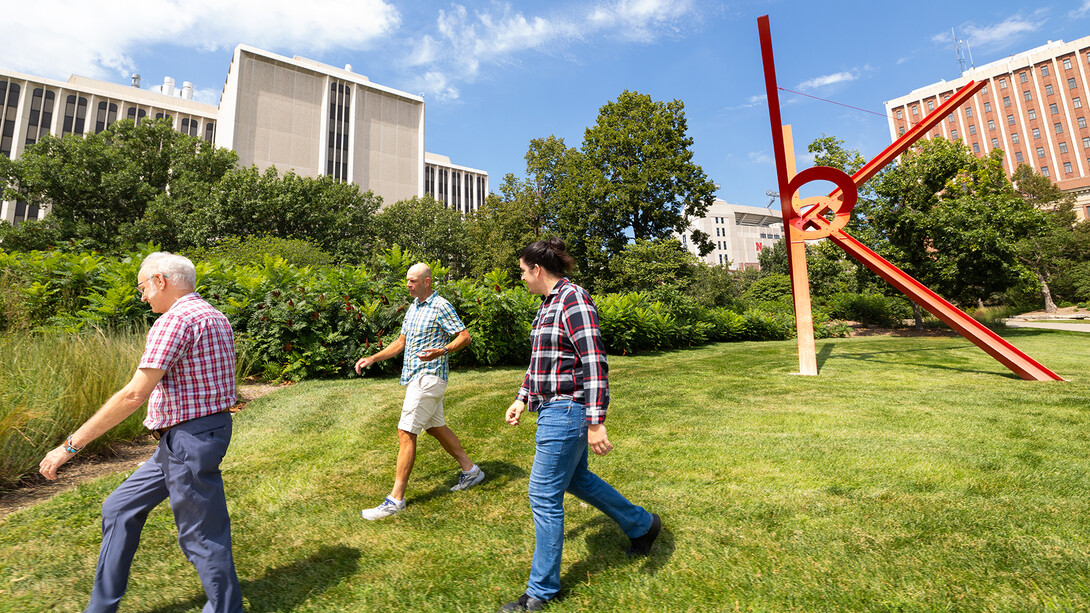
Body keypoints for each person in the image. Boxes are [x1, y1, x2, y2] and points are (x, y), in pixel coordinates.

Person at [38, 252, 243, 613]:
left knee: (201, 535)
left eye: (143, 287)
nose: (143, 296)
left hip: (189, 441)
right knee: (119, 508)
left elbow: (133, 394)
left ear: (161, 280)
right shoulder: (213, 314)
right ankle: (101, 607)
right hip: (196, 435)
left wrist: (68, 447)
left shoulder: (174, 321)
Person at [501, 238, 662, 613]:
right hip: (551, 406)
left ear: (537, 269)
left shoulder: (573, 299)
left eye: (523, 271)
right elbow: (541, 361)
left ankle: (541, 591)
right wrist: (522, 397)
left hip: (567, 410)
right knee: (577, 480)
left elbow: (594, 362)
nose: (522, 278)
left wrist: (595, 421)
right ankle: (642, 525)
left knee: (543, 496)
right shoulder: (547, 306)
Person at [355, 262, 483, 520]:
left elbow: (464, 336)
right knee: (435, 428)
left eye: (413, 280)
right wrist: (373, 358)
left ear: (427, 281)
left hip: (430, 377)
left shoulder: (441, 305)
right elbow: (401, 342)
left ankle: (395, 500)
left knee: (406, 432)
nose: (408, 284)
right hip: (415, 377)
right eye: (407, 280)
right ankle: (471, 471)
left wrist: (443, 350)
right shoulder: (413, 307)